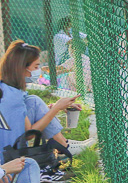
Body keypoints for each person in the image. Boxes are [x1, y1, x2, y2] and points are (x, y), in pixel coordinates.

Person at [0, 41, 80, 169]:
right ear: (22, 67)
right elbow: (30, 133)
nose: (38, 71)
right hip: (9, 158)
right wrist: (56, 108)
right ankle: (65, 147)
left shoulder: (5, 87)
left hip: (7, 151)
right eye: (36, 67)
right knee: (34, 101)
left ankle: (64, 145)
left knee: (33, 101)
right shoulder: (13, 97)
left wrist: (54, 108)